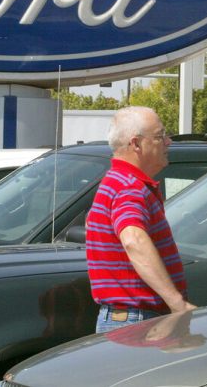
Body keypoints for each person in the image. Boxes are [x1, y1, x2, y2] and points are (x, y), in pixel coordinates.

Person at [86, 106, 195, 333]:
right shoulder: (130, 187)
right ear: (136, 144)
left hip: (130, 320)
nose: (168, 142)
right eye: (160, 136)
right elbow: (133, 239)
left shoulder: (118, 181)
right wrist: (177, 303)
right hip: (138, 322)